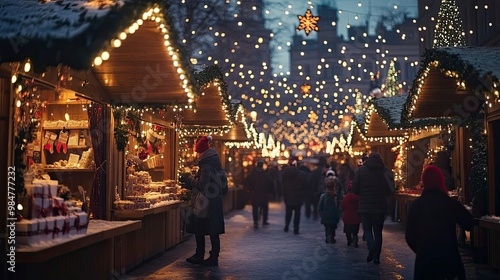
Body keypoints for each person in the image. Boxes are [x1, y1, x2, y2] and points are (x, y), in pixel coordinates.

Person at [405, 165, 474, 280]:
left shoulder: (417, 205)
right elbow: (468, 223)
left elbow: (409, 236)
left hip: (425, 262)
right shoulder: (449, 203)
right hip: (448, 259)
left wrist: (422, 250)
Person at [179, 135, 225, 267]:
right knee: (213, 230)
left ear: (202, 152)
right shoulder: (216, 163)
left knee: (200, 228)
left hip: (206, 203)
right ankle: (213, 256)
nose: (197, 154)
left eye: (198, 152)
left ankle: (200, 255)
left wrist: (189, 179)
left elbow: (202, 184)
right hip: (215, 201)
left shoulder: (206, 165)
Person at [351, 152, 395, 264]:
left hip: (365, 205)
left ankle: (371, 247)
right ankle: (377, 257)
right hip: (380, 206)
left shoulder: (361, 171)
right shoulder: (384, 171)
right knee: (378, 231)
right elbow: (391, 189)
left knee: (367, 229)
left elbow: (354, 189)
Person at [244, 161, 274, 229]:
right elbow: (271, 183)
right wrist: (271, 192)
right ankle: (264, 220)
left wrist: (250, 189)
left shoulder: (253, 174)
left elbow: (246, 181)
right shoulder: (265, 174)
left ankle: (256, 221)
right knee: (264, 207)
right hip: (264, 193)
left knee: (255, 208)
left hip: (255, 193)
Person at [282, 158, 308, 234]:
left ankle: (286, 226)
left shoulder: (285, 173)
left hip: (288, 195)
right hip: (298, 196)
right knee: (297, 213)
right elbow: (305, 185)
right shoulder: (302, 174)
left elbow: (283, 183)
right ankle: (296, 229)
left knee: (288, 212)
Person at [317, 177, 341, 243]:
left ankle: (327, 236)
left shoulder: (323, 196)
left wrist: (320, 212)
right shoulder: (336, 196)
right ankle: (332, 238)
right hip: (333, 214)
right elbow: (339, 205)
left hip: (325, 214)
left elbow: (320, 206)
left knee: (327, 227)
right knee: (333, 227)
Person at [341, 181, 360, 247]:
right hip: (356, 217)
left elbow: (342, 206)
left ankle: (349, 241)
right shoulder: (358, 198)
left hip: (347, 217)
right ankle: (355, 241)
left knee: (348, 231)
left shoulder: (345, 197)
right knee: (355, 232)